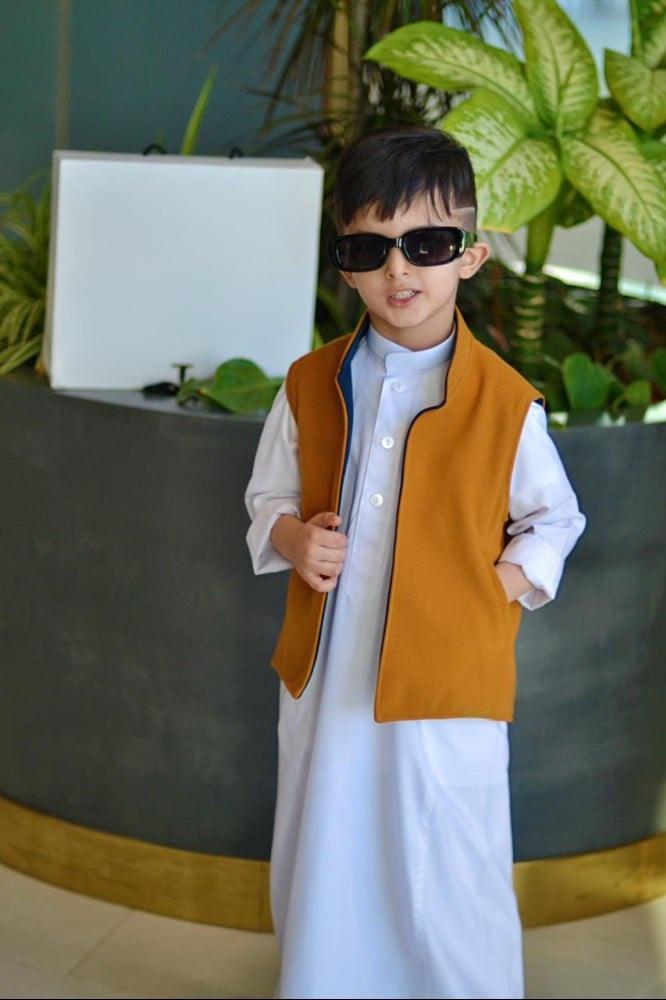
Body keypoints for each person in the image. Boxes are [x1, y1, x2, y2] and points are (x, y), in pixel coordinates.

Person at [244, 125, 587, 1000]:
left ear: (469, 255)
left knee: (449, 860)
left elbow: (555, 519)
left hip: (447, 685)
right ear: (345, 264)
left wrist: (488, 589)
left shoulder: (505, 402)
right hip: (329, 674)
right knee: (325, 844)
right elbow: (267, 497)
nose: (399, 271)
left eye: (426, 245)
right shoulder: (310, 382)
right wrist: (293, 539)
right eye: (370, 249)